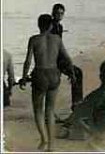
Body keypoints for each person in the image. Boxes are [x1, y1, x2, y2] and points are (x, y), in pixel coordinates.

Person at [20, 14, 72, 150]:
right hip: (54, 74)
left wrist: (24, 77)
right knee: (50, 110)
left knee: (38, 110)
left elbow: (28, 61)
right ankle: (52, 145)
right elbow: (67, 58)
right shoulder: (57, 39)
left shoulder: (34, 39)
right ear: (51, 26)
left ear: (38, 25)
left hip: (40, 74)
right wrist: (72, 73)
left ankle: (43, 140)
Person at [62, 58, 105, 150]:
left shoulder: (92, 96)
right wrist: (83, 124)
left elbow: (76, 115)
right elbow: (98, 133)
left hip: (92, 147)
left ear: (100, 77)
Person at [51, 3, 83, 110]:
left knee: (77, 73)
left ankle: (76, 104)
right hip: (55, 59)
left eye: (62, 13)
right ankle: (77, 104)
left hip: (58, 58)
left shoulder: (59, 26)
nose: (60, 15)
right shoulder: (53, 27)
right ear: (53, 13)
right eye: (58, 13)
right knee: (77, 73)